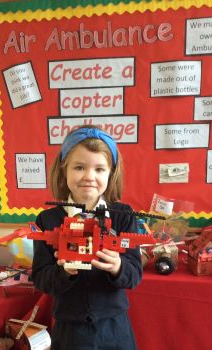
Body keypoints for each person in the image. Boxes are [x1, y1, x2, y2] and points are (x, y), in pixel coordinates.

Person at [32, 125, 142, 350]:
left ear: (111, 173)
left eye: (100, 169)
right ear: (64, 170)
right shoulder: (47, 220)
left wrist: (119, 266)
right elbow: (41, 278)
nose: (89, 177)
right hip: (70, 331)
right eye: (79, 167)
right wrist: (64, 272)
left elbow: (134, 275)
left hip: (115, 328)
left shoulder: (122, 216)